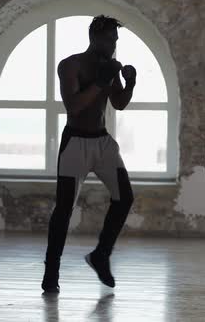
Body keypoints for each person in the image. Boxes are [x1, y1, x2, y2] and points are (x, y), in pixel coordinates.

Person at [41, 15, 136, 293]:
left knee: (125, 197)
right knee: (64, 209)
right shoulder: (70, 65)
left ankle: (101, 255)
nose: (112, 45)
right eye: (109, 40)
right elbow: (73, 107)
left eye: (115, 41)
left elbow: (118, 104)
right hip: (75, 143)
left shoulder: (110, 66)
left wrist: (129, 82)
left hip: (102, 142)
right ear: (94, 36)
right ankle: (51, 271)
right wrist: (99, 82)